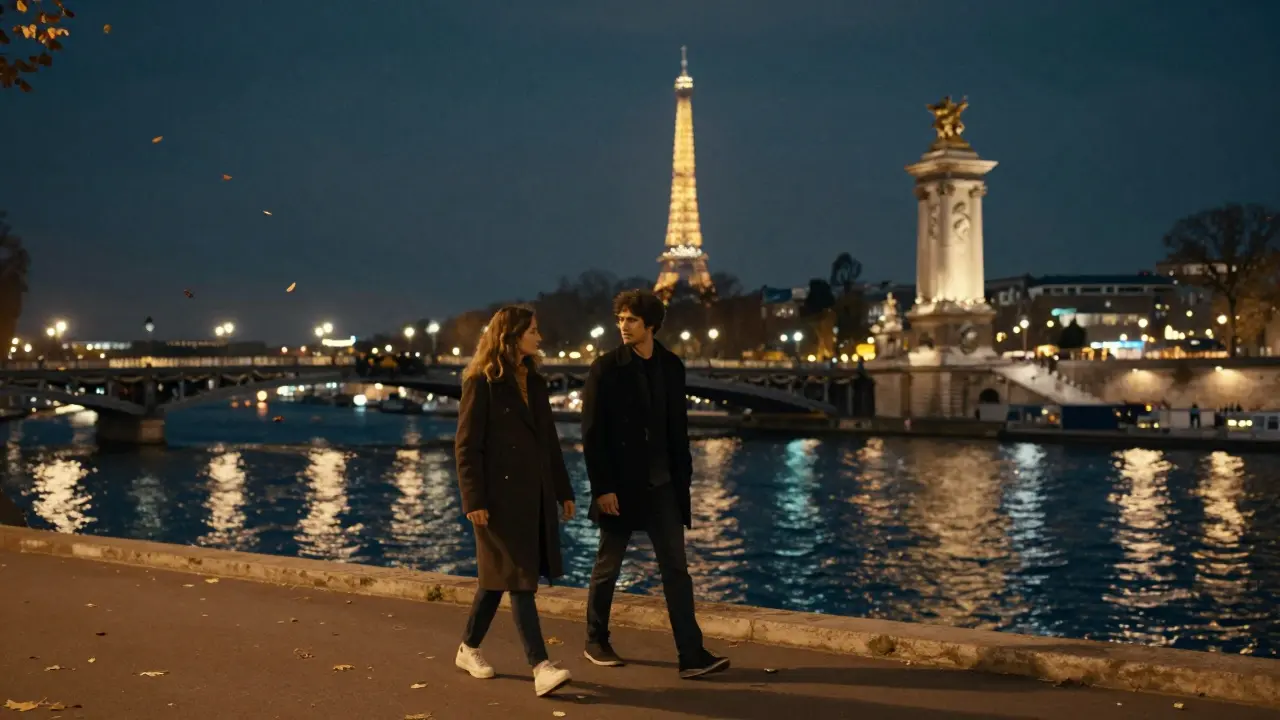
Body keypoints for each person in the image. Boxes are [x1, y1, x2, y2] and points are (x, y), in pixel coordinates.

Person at [580, 289, 730, 679]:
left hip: (663, 484)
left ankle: (690, 654)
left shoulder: (672, 366)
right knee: (607, 567)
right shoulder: (605, 368)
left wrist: (685, 479)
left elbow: (676, 429)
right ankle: (596, 639)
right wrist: (603, 488)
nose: (623, 326)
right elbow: (593, 436)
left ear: (651, 324)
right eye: (620, 319)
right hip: (622, 486)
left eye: (631, 319)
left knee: (677, 571)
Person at [453, 305, 576, 697]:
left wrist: (563, 490)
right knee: (521, 579)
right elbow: (467, 447)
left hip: (532, 494)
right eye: (533, 331)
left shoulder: (535, 382)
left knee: (497, 581)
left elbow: (548, 444)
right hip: (496, 499)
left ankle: (468, 647)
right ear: (512, 336)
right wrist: (473, 499)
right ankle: (540, 666)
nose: (539, 338)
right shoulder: (481, 382)